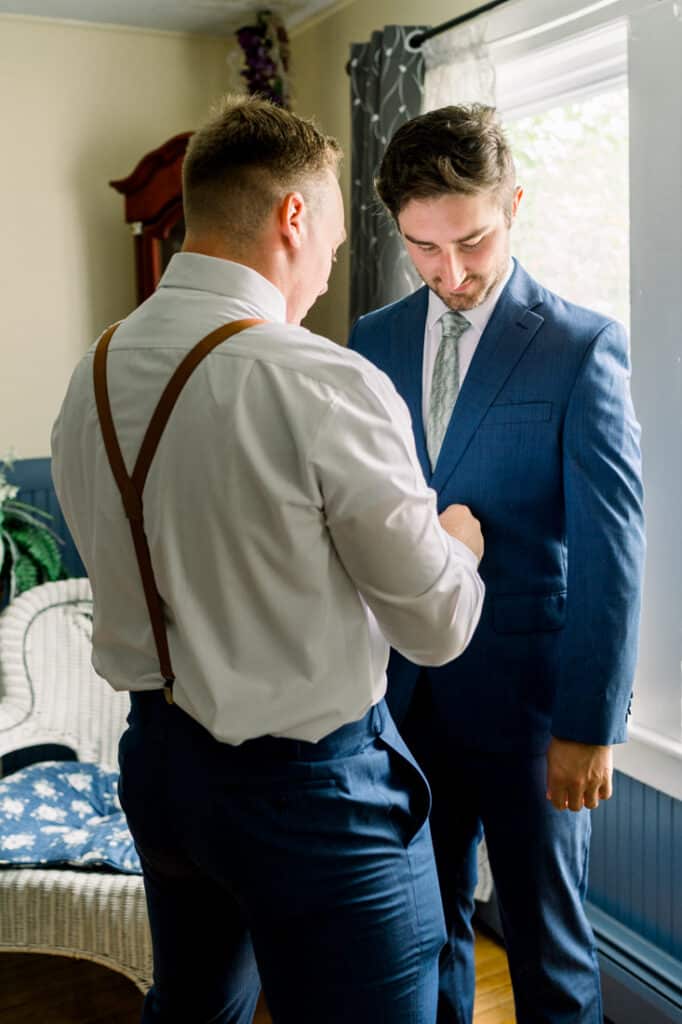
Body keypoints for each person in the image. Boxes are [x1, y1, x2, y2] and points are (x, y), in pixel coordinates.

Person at [50, 96, 486, 1024]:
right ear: (294, 216)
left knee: (198, 1011)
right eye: (331, 240)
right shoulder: (321, 381)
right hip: (314, 799)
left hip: (163, 776)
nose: (330, 270)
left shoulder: (90, 376)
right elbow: (439, 627)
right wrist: (458, 543)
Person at [349, 103, 645, 1024]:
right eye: (424, 249)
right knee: (421, 939)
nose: (453, 273)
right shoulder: (373, 340)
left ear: (513, 204)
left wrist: (588, 725)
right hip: (399, 703)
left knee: (549, 951)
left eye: (472, 240)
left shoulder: (580, 346)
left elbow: (612, 550)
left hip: (529, 713)